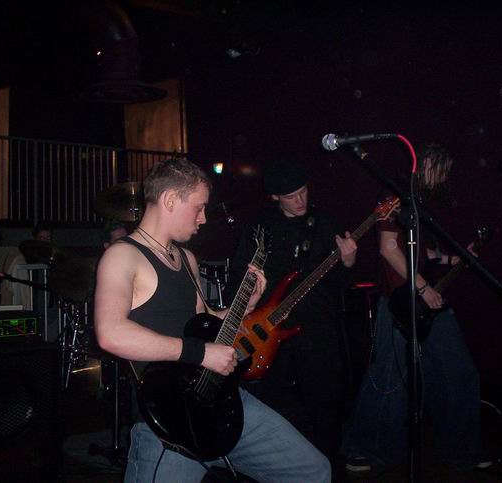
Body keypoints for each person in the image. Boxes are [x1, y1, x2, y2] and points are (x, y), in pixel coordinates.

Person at [93, 157, 331, 483]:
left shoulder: (187, 258)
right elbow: (111, 333)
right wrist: (201, 353)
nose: (203, 219)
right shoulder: (123, 255)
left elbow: (202, 321)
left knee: (313, 471)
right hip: (167, 416)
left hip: (218, 395)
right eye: (199, 208)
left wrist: (244, 307)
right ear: (170, 200)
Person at [341, 142, 490, 475]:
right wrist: (422, 287)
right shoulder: (393, 195)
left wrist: (452, 259)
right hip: (399, 301)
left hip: (426, 300)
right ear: (426, 165)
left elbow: (421, 255)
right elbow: (388, 248)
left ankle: (462, 451)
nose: (444, 177)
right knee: (390, 379)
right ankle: (364, 450)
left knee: (459, 372)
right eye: (441, 169)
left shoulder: (418, 202)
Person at [226, 159, 358, 461]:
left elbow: (343, 283)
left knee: (326, 402)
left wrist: (349, 262)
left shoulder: (325, 223)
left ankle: (327, 466)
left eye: (303, 192)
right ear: (275, 196)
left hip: (317, 325)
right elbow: (239, 276)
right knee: (265, 401)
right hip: (267, 328)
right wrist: (244, 314)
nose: (300, 201)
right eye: (290, 196)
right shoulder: (260, 228)